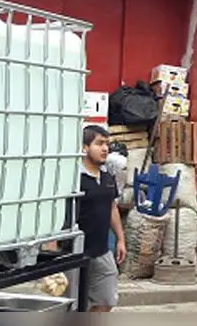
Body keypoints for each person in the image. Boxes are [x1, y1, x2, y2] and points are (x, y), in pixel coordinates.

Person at [63, 125, 127, 312]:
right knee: (71, 307)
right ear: (84, 147)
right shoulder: (73, 179)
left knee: (106, 301)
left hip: (101, 251)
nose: (105, 149)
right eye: (99, 144)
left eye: (107, 144)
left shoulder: (107, 178)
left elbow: (112, 207)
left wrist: (120, 239)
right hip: (72, 253)